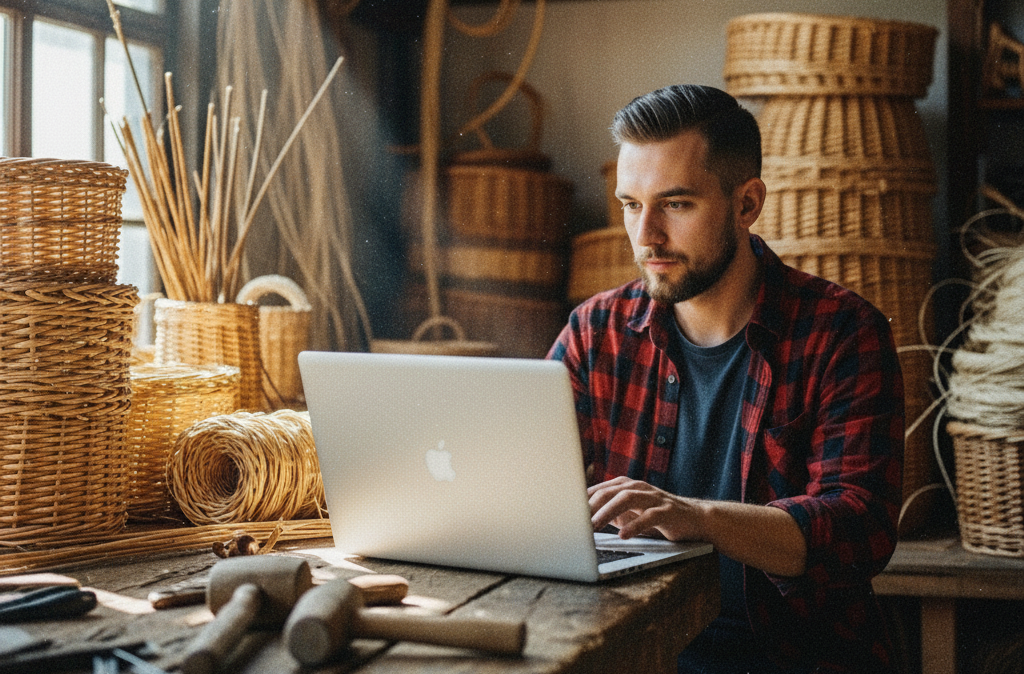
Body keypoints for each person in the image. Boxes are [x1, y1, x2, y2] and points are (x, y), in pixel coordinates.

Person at [547, 84, 904, 673]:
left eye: (676, 204)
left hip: (794, 661)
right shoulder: (595, 331)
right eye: (631, 204)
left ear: (747, 203)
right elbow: (531, 483)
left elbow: (859, 527)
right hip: (632, 651)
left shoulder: (843, 331)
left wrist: (699, 518)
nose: (646, 235)